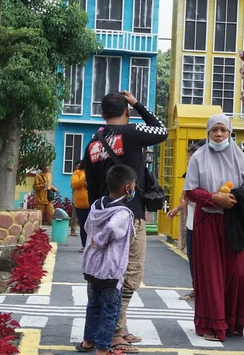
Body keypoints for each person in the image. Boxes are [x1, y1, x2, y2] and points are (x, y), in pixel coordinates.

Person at [84, 91, 167, 351]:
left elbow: (90, 185)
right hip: (129, 217)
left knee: (103, 276)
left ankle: (115, 328)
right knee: (129, 273)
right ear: (126, 112)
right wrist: (138, 103)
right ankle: (116, 331)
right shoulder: (131, 133)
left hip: (101, 216)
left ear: (102, 114)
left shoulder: (93, 143)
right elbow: (161, 130)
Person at [183, 114, 244, 342]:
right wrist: (214, 198)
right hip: (207, 222)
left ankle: (232, 322)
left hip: (232, 223)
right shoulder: (198, 157)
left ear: (229, 132)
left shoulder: (238, 156)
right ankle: (213, 325)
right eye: (214, 130)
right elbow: (191, 191)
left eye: (223, 130)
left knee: (235, 274)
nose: (218, 134)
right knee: (211, 274)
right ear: (208, 133)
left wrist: (232, 198)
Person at [76, 165, 137, 355]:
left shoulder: (96, 205)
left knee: (93, 305)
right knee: (110, 309)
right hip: (110, 270)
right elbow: (111, 228)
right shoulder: (122, 213)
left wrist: (94, 239)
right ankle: (103, 349)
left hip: (92, 266)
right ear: (128, 188)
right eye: (134, 185)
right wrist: (100, 239)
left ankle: (88, 342)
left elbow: (87, 226)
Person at [167, 140, 206, 300]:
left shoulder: (206, 175)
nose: (189, 161)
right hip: (191, 224)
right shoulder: (190, 174)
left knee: (204, 259)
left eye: (192, 158)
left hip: (205, 224)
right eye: (188, 158)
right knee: (192, 257)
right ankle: (196, 289)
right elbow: (189, 199)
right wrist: (177, 208)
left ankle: (206, 290)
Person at [72, 159, 90, 252]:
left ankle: (92, 245)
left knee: (92, 226)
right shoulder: (77, 173)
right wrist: (83, 177)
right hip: (80, 205)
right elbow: (74, 185)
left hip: (91, 204)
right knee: (83, 226)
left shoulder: (92, 171)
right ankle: (85, 245)